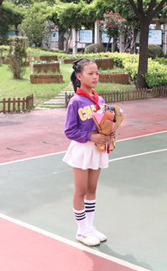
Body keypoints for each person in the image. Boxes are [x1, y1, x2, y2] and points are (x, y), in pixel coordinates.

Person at [63, 58, 114, 247]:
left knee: (92, 189)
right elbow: (69, 131)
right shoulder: (75, 102)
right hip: (82, 149)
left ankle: (90, 227)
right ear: (79, 76)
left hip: (97, 149)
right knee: (81, 190)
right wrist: (90, 137)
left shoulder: (100, 100)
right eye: (90, 73)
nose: (95, 77)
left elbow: (104, 123)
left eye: (97, 73)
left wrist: (110, 133)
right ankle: (81, 230)